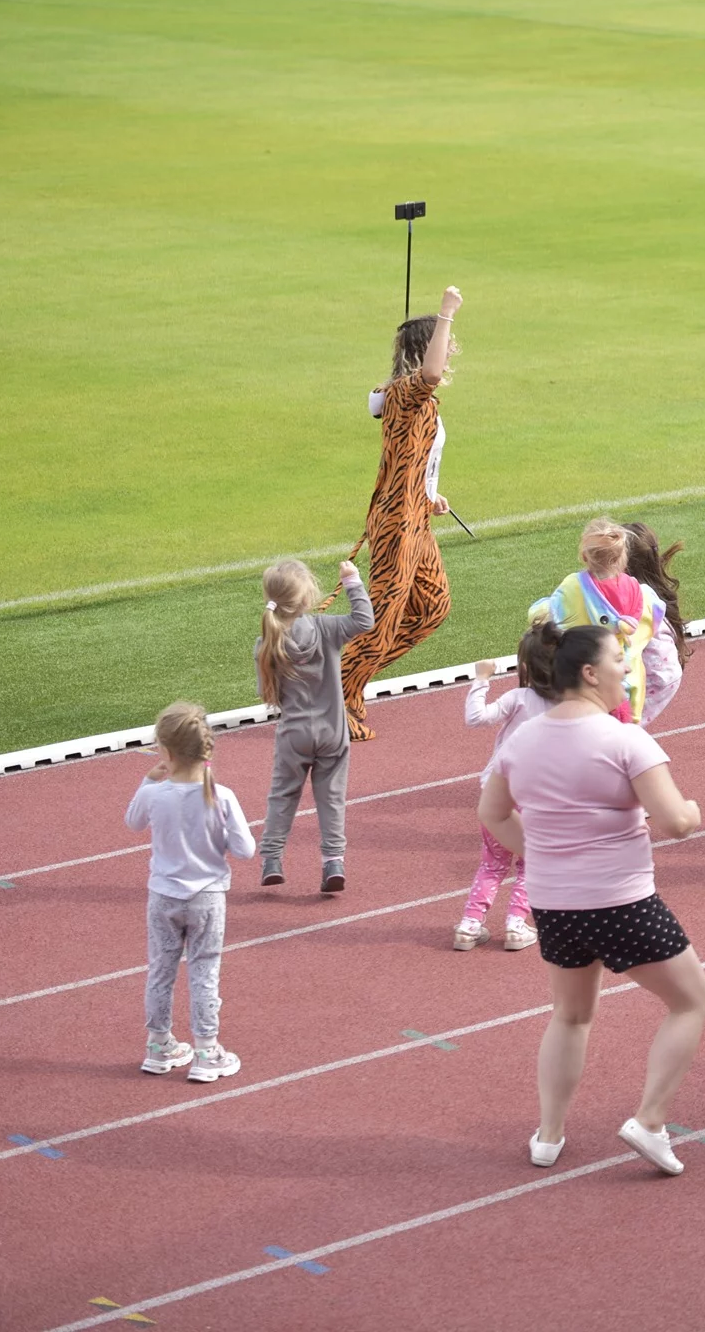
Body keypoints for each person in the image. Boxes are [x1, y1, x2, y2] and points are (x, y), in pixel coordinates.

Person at [479, 622, 705, 1177]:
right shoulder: (625, 739)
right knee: (691, 1001)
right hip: (621, 901)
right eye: (618, 661)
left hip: (555, 905)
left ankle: (548, 1135)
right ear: (588, 673)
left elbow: (490, 813)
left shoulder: (521, 741)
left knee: (571, 1014)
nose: (627, 671)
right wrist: (695, 811)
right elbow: (677, 821)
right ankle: (650, 1121)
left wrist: (539, 854)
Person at [340, 286, 461, 742]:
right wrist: (447, 311)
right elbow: (429, 372)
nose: (449, 354)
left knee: (431, 607)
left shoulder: (414, 400)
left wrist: (430, 496)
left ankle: (346, 675)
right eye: (444, 344)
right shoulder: (409, 393)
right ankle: (341, 690)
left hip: (416, 518)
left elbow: (410, 459)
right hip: (396, 524)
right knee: (386, 613)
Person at [128, 702, 255, 1083]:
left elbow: (132, 822)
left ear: (164, 754)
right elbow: (247, 850)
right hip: (207, 898)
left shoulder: (155, 794)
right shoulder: (222, 796)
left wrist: (149, 780)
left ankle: (158, 1046)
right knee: (204, 972)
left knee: (161, 970)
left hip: (163, 896)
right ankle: (206, 1052)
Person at [256, 558, 373, 892]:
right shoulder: (326, 629)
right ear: (307, 600)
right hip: (333, 733)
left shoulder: (266, 642)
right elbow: (364, 620)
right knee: (331, 799)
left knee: (282, 796)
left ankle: (272, 859)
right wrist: (352, 581)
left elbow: (269, 694)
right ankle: (333, 862)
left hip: (293, 733)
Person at [455, 629, 556, 951]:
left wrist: (481, 679)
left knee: (492, 863)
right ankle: (515, 924)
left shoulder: (517, 698)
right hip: (535, 799)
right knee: (533, 861)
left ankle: (469, 925)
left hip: (495, 794)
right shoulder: (570, 706)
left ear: (523, 666)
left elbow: (475, 718)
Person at [530, 519, 669, 725]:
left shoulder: (572, 589)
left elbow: (543, 615)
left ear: (585, 556)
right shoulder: (644, 596)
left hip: (586, 691)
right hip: (626, 689)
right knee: (621, 748)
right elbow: (654, 621)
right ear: (624, 558)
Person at [622, 522, 691, 724]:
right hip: (655, 671)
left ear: (623, 564)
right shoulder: (644, 590)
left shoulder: (638, 598)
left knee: (616, 726)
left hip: (656, 678)